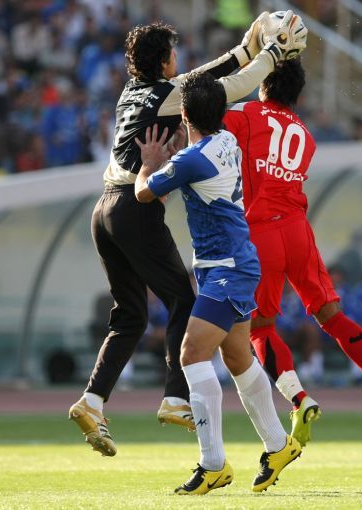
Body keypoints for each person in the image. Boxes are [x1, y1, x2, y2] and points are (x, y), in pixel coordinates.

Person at [68, 12, 297, 457]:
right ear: (164, 60)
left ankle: (92, 401)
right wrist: (272, 54)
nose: (177, 60)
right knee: (183, 302)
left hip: (104, 211)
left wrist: (247, 46)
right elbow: (226, 87)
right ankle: (176, 398)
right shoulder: (174, 98)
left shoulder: (131, 92)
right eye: (173, 53)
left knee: (130, 316)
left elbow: (202, 79)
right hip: (135, 206)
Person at [222, 58, 362, 446]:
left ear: (263, 83)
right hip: (297, 230)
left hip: (259, 232)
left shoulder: (246, 114)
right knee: (332, 316)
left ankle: (299, 399)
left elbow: (207, 120)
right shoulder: (306, 134)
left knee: (261, 328)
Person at [135, 70, 302, 495]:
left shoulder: (191, 159)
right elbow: (197, 159)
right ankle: (279, 445)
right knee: (238, 357)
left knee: (191, 354)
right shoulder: (226, 140)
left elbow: (143, 193)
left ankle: (213, 465)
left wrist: (151, 162)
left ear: (185, 114)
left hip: (227, 268)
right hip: (231, 264)